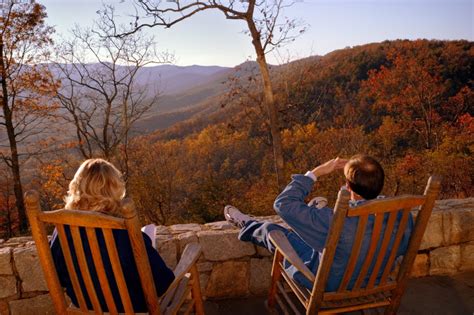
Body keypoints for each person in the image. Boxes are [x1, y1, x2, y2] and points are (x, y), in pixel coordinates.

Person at [224, 155, 413, 291]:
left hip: (331, 282)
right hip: (374, 279)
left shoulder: (336, 219)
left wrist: (315, 173)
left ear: (348, 186)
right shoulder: (401, 214)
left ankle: (246, 224)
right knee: (320, 233)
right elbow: (401, 248)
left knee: (271, 230)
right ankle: (310, 213)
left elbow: (282, 204)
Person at [50, 158, 175, 312]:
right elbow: (162, 281)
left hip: (84, 306)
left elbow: (58, 275)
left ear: (77, 187)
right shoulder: (124, 232)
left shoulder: (63, 229)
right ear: (114, 189)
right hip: (130, 308)